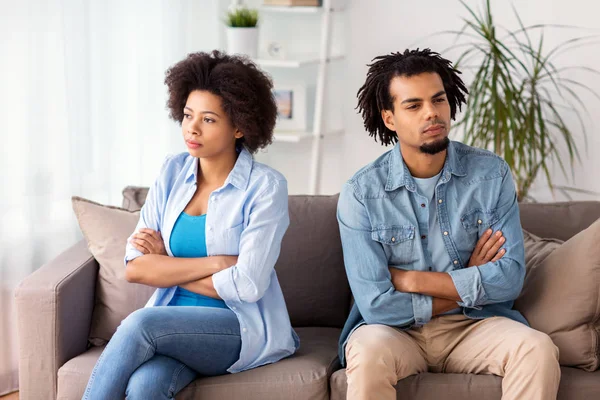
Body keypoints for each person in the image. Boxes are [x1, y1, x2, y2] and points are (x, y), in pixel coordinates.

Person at [337, 48, 560, 400]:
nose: (432, 113)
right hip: (395, 332)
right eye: (413, 105)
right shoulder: (362, 193)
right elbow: (377, 305)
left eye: (438, 100)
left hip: (473, 326)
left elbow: (510, 278)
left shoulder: (490, 175)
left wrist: (414, 280)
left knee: (537, 348)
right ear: (389, 118)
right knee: (367, 353)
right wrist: (466, 283)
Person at [82, 50, 299, 400]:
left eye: (209, 120)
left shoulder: (266, 187)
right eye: (187, 115)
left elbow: (247, 286)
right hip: (172, 320)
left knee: (140, 324)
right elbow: (135, 267)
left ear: (240, 126)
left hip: (235, 326)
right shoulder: (172, 171)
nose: (192, 129)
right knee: (144, 387)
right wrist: (216, 265)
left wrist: (166, 262)